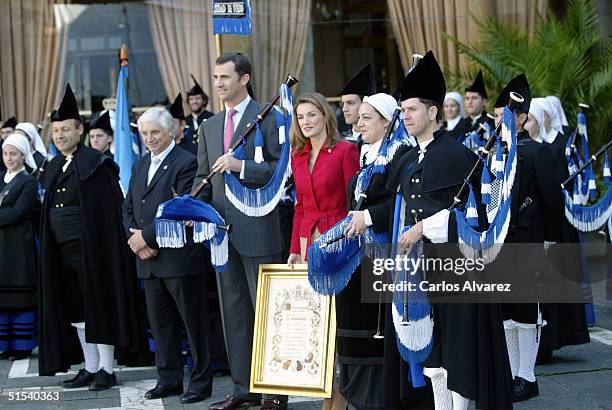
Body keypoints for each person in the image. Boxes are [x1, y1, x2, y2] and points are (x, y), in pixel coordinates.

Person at [386, 51, 514, 410]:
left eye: (412, 109)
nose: (406, 116)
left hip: (457, 267)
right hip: (422, 270)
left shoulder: (457, 156)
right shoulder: (412, 158)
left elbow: (473, 218)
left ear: (433, 112)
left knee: (459, 351)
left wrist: (423, 227)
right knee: (434, 349)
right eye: (403, 110)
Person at [192, 53, 287, 410]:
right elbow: (204, 177)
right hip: (221, 233)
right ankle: (243, 388)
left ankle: (275, 392)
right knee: (234, 312)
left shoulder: (269, 116)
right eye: (215, 77)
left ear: (244, 78)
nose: (218, 83)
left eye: (225, 77)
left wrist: (242, 165)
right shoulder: (209, 125)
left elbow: (281, 172)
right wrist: (194, 208)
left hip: (260, 229)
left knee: (267, 311)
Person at [38, 84, 146, 391]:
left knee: (99, 307)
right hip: (62, 253)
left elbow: (107, 214)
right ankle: (89, 366)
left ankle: (106, 369)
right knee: (76, 310)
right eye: (55, 131)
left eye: (65, 130)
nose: (59, 136)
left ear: (80, 130)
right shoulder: (55, 165)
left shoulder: (94, 163)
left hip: (92, 252)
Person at [123, 106, 214, 404]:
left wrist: (144, 238)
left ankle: (200, 382)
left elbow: (180, 208)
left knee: (193, 325)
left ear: (172, 130)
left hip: (179, 260)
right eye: (145, 133)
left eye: (155, 133)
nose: (149, 138)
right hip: (148, 261)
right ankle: (169, 379)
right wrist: (134, 238)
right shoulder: (139, 165)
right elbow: (128, 208)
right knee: (161, 327)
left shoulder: (186, 162)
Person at [337, 93, 412, 409]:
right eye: (360, 116)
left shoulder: (400, 156)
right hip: (358, 257)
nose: (359, 121)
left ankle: (381, 399)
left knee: (375, 336)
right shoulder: (365, 156)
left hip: (384, 259)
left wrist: (367, 216)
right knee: (353, 331)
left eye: (368, 117)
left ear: (387, 121)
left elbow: (400, 205)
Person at [493, 76, 564, 403]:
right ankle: (510, 373)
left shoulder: (537, 152)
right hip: (500, 242)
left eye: (505, 115)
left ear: (522, 118)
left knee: (526, 310)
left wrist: (549, 240)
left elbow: (552, 200)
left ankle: (527, 375)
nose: (499, 121)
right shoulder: (494, 153)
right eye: (496, 116)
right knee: (507, 311)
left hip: (528, 239)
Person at [287, 92, 359, 266]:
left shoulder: (345, 150)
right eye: (300, 117)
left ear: (325, 116)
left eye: (312, 115)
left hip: (339, 234)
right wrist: (295, 249)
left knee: (338, 292)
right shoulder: (297, 155)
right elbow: (300, 207)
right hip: (307, 237)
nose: (305, 122)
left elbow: (355, 202)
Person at [0, 134, 39, 360]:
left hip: (18, 247)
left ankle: (22, 346)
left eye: (13, 154)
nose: (9, 158)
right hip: (2, 246)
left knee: (20, 298)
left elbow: (19, 212)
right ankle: (5, 344)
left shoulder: (29, 181)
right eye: (5, 153)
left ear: (23, 155)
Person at [339, 65, 377, 155]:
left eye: (350, 103)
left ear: (365, 104)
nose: (344, 109)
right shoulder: (339, 140)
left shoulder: (383, 142)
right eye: (343, 103)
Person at [453, 71, 494, 143]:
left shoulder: (491, 122)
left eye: (474, 98)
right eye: (467, 98)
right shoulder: (461, 123)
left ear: (484, 102)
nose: (470, 102)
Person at [183, 76, 214, 154]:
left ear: (204, 101)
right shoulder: (184, 121)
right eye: (191, 99)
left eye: (197, 98)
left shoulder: (212, 118)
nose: (194, 101)